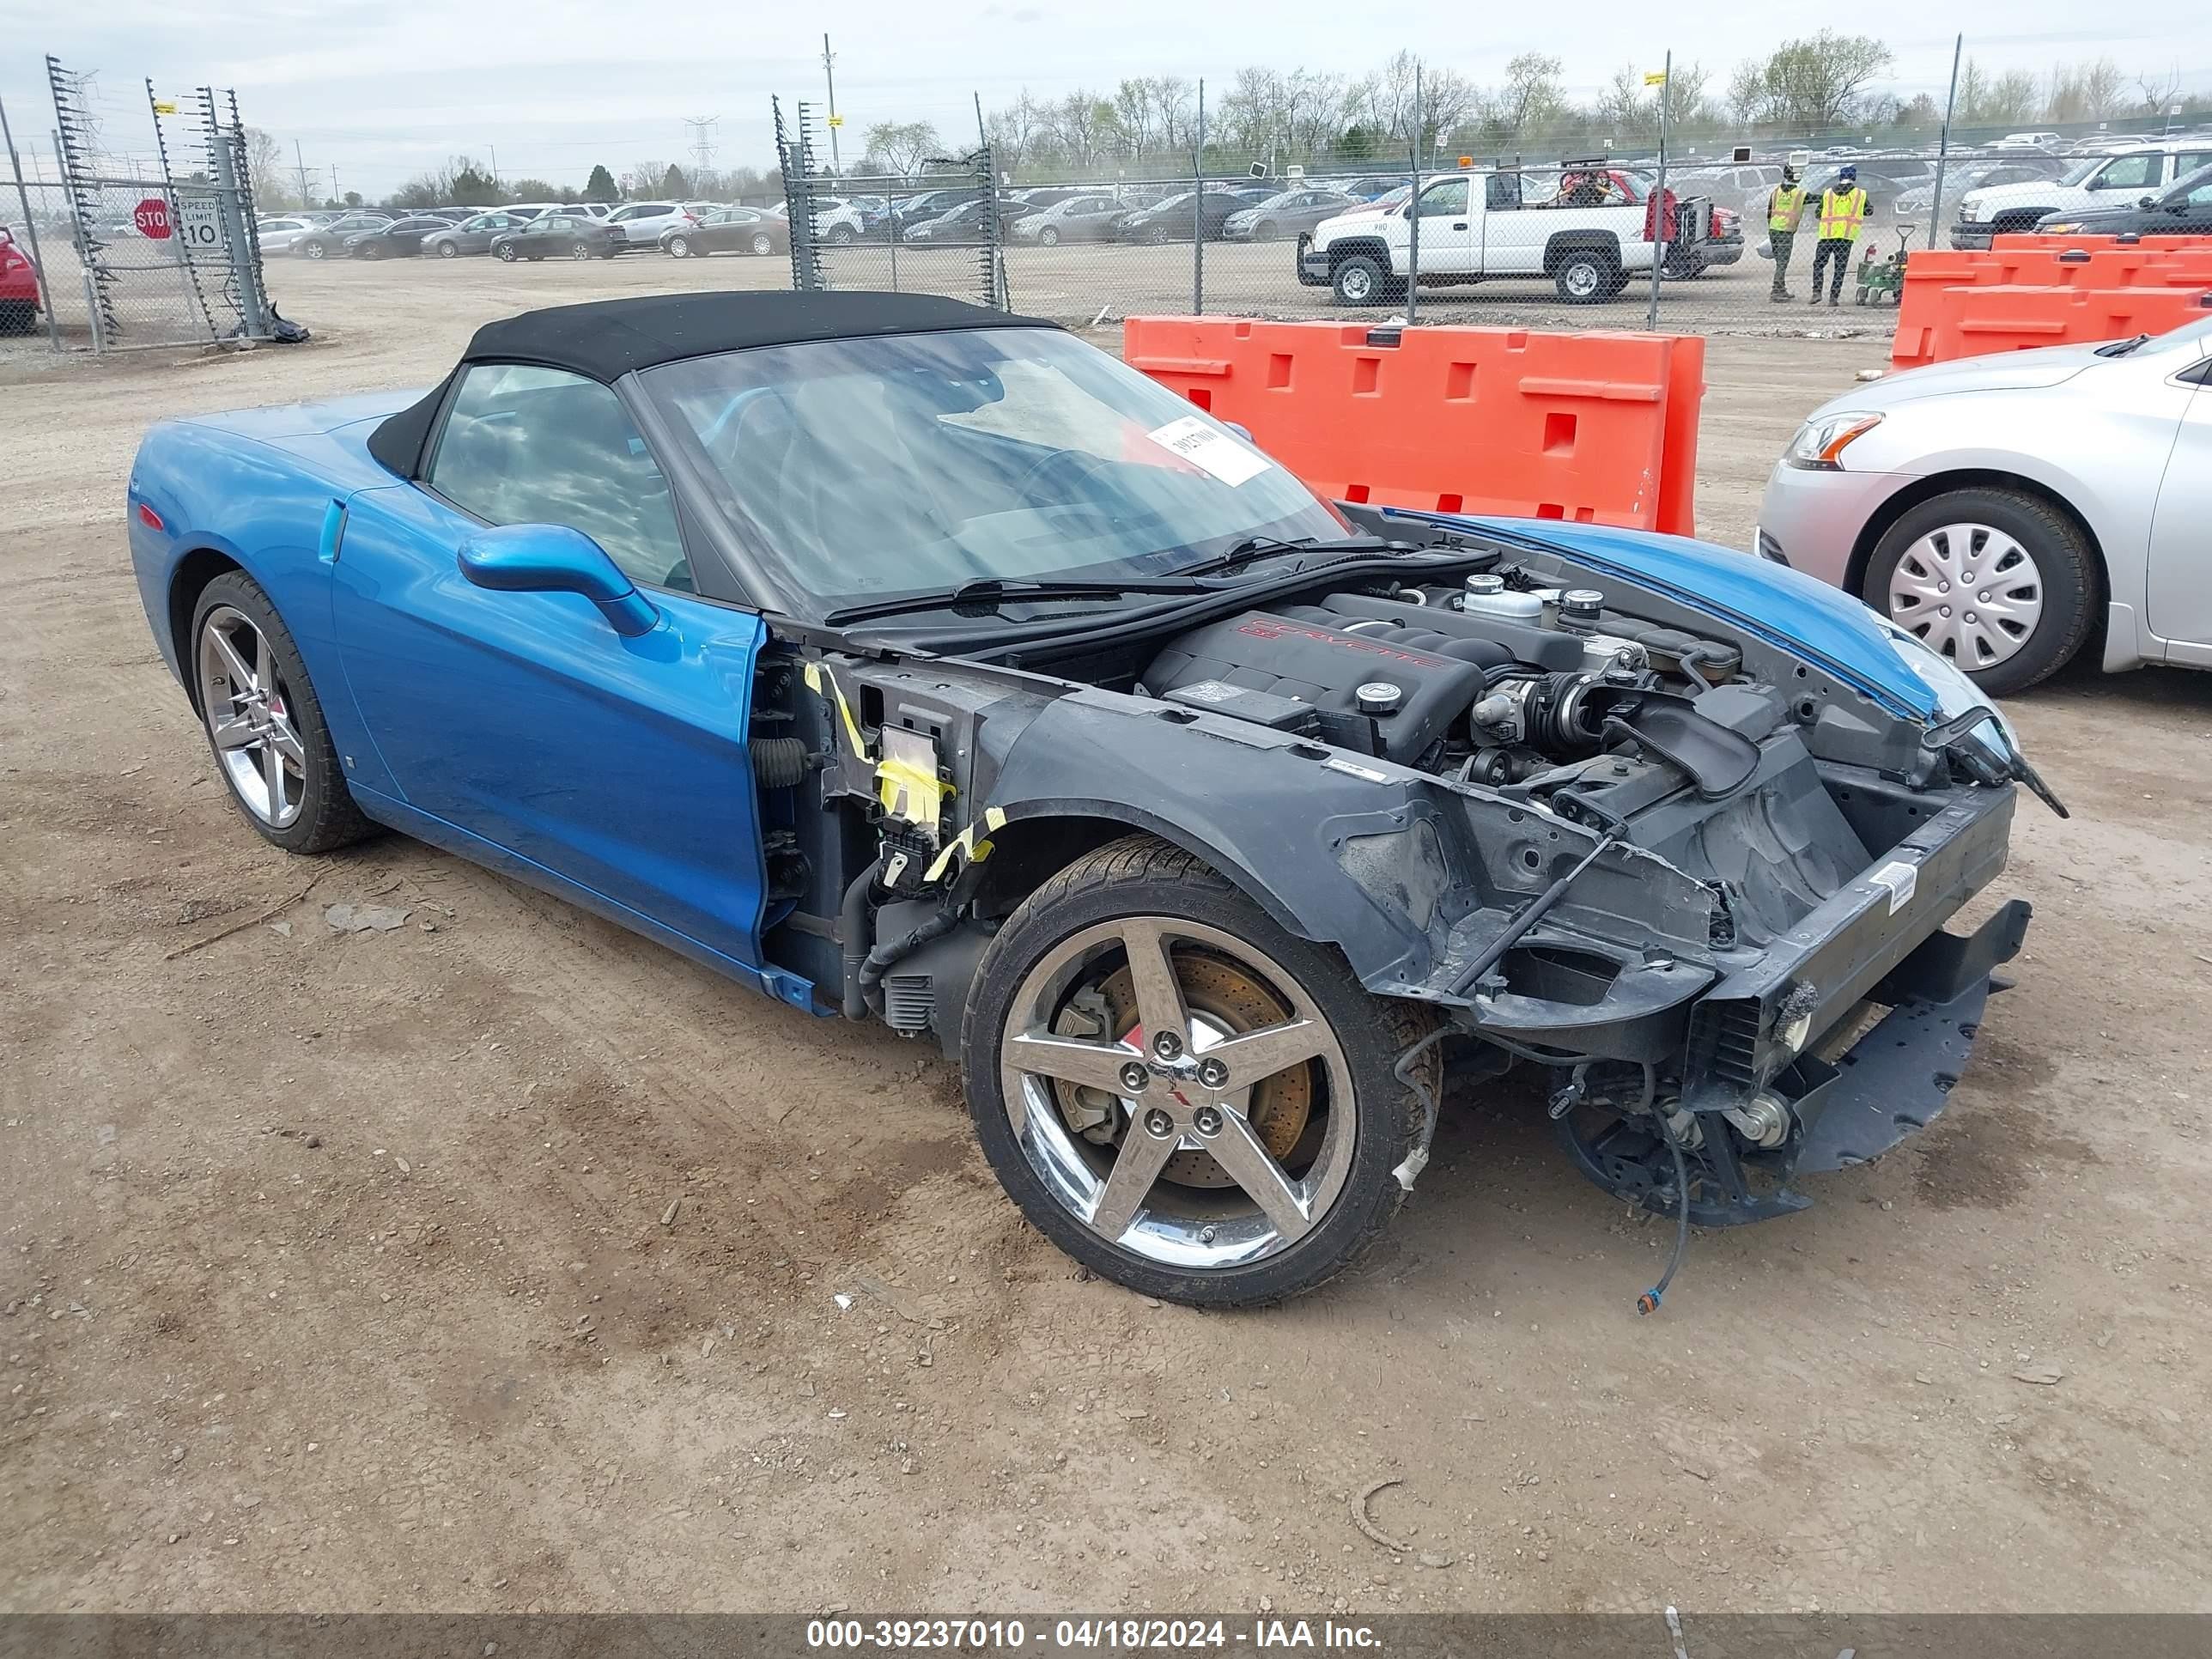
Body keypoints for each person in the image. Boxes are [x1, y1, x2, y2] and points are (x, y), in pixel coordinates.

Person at [1808, 165, 1870, 307]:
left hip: (1827, 236)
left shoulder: (1828, 193)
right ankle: (1833, 298)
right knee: (1840, 268)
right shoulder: (1860, 194)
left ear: (1840, 177)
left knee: (1818, 264)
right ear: (1853, 178)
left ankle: (1817, 292)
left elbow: (1818, 213)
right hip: (1845, 237)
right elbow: (1869, 210)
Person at [1765, 166, 1807, 301]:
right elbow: (1814, 199)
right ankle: (1776, 291)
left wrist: (1771, 227)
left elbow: (1769, 212)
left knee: (1779, 261)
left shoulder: (1776, 191)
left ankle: (1781, 289)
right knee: (1783, 263)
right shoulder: (1799, 193)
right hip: (1785, 231)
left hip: (1774, 229)